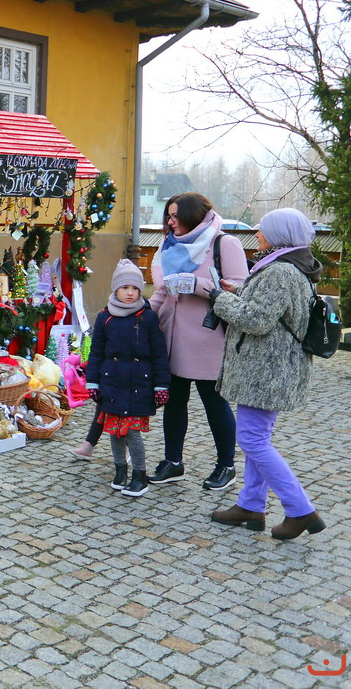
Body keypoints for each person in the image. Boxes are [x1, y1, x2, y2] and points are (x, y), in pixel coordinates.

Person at [209, 208, 326, 540]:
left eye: (263, 229)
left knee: (252, 440)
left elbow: (257, 320)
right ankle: (250, 505)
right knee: (257, 437)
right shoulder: (289, 266)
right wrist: (239, 293)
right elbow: (270, 310)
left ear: (280, 235)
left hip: (266, 371)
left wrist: (220, 299)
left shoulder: (280, 271)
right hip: (270, 368)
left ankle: (300, 510)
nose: (257, 233)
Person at [147, 193, 249, 490]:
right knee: (174, 403)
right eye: (168, 216)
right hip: (171, 337)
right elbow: (162, 292)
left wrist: (199, 285)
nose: (170, 221)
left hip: (209, 338)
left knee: (214, 403)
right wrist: (141, 317)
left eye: (176, 216)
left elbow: (241, 289)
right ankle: (173, 462)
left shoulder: (224, 243)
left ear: (193, 215)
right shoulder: (168, 245)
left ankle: (226, 466)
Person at [85, 260, 170, 497]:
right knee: (114, 431)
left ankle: (139, 476)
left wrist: (161, 385)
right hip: (112, 383)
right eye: (125, 288)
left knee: (132, 432)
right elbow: (96, 352)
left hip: (138, 384)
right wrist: (92, 381)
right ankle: (120, 470)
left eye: (135, 288)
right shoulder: (105, 317)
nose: (130, 293)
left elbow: (159, 354)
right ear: (116, 289)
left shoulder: (148, 317)